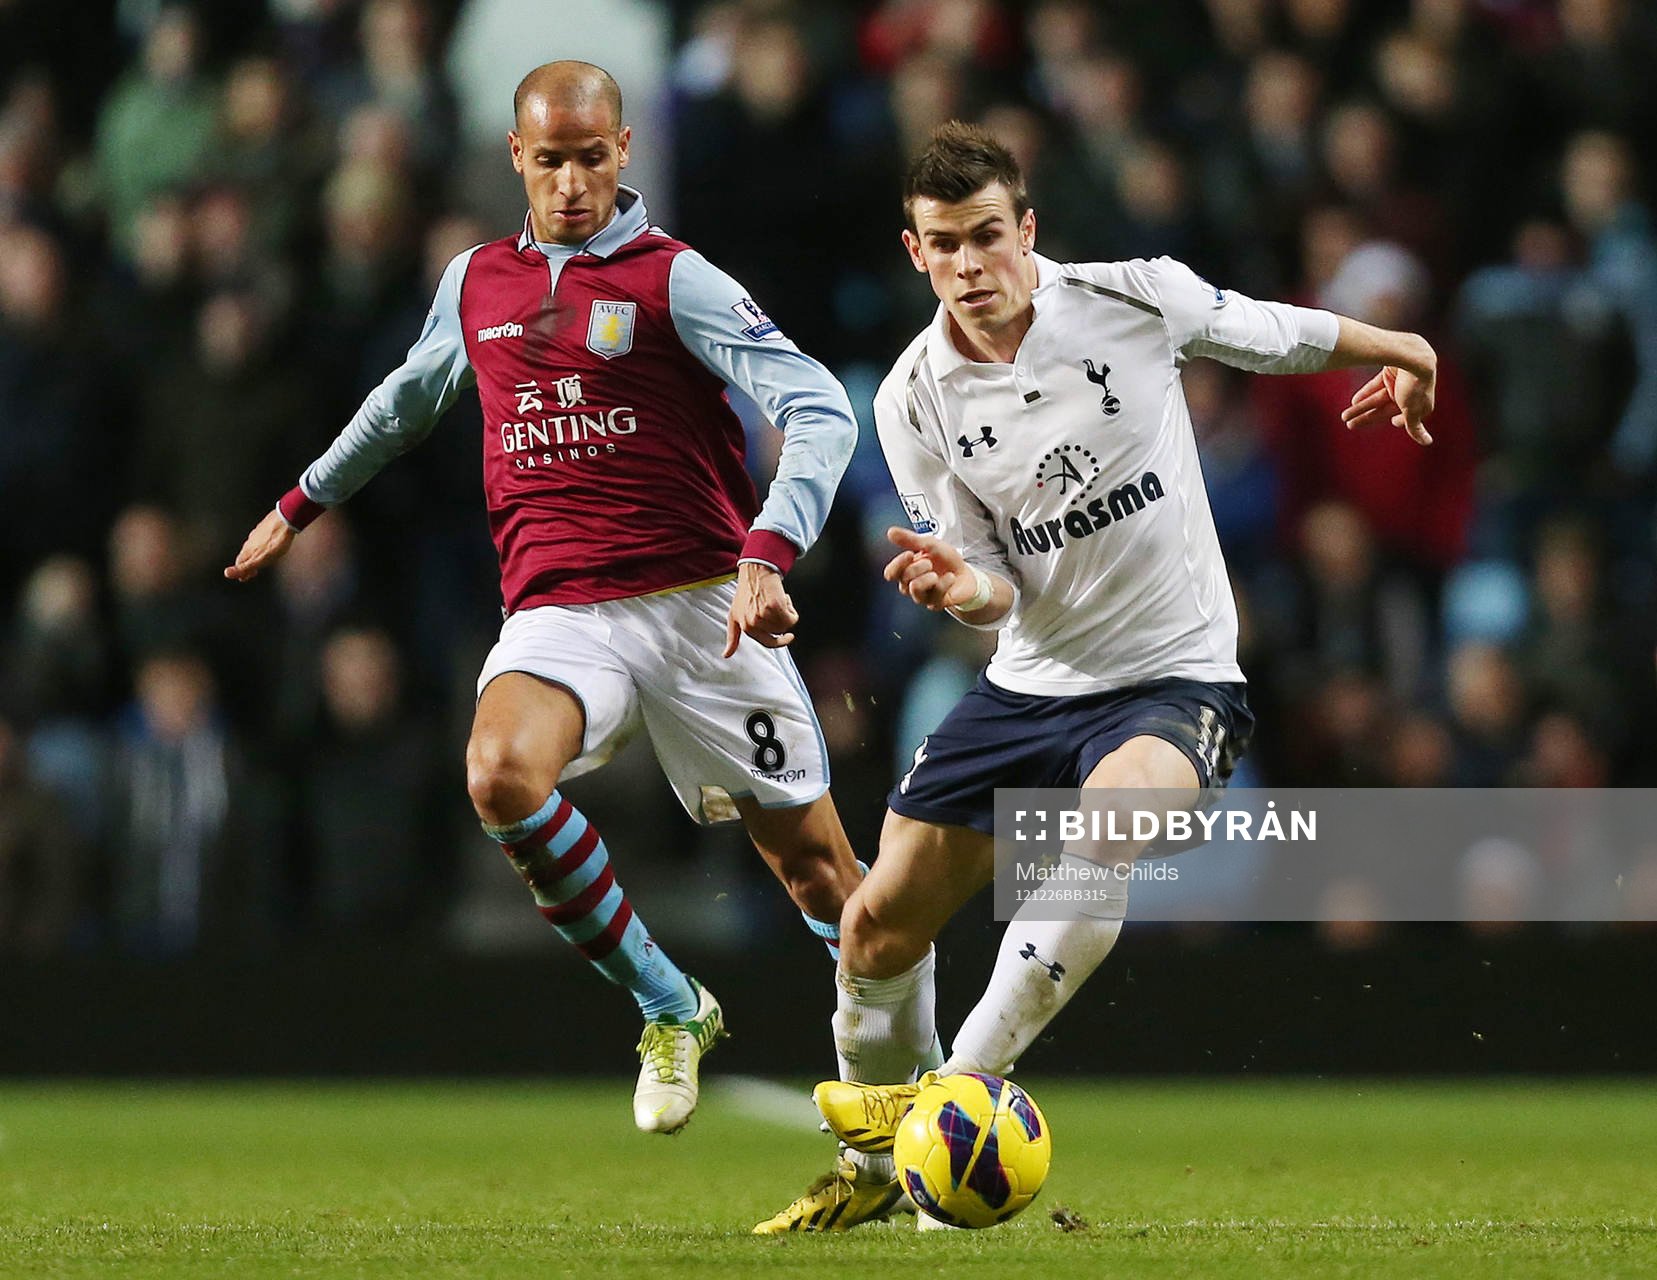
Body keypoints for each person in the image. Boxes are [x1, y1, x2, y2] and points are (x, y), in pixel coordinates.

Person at [759, 121, 1438, 1230]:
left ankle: (952, 1095)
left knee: (1108, 822)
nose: (970, 263)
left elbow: (1270, 332)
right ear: (915, 252)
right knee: (876, 927)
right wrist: (959, 589)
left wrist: (1398, 346)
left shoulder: (1131, 298)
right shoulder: (911, 397)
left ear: (1027, 230)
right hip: (1029, 683)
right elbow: (990, 585)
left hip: (1175, 679)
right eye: (945, 244)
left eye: (988, 235)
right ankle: (873, 1169)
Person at [226, 61, 869, 1136]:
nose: (571, 183)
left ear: (623, 152)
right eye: (551, 161)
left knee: (823, 880)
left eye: (591, 158)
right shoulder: (475, 281)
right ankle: (670, 1004)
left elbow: (819, 407)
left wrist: (769, 546)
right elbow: (402, 403)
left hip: (704, 604)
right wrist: (302, 502)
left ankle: (933, 1087)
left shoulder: (676, 279)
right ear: (516, 157)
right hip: (562, 611)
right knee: (497, 774)